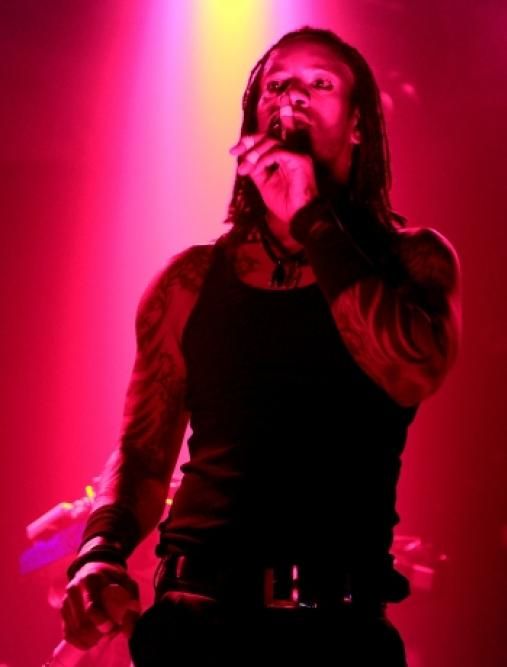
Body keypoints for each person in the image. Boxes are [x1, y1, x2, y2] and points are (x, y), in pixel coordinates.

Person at [61, 26, 461, 666]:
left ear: (358, 125)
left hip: (339, 632)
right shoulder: (189, 281)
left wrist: (310, 217)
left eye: (319, 83)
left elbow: (410, 372)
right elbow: (143, 453)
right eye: (277, 85)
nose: (293, 96)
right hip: (194, 623)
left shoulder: (410, 260)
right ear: (252, 122)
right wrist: (100, 549)